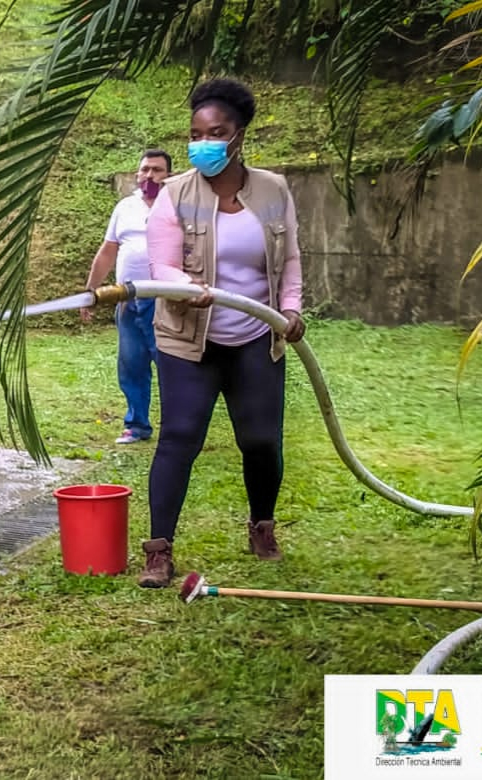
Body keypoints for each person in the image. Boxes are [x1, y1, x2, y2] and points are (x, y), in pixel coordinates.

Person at [137, 77, 306, 589]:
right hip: (189, 340)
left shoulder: (274, 190)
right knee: (179, 438)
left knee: (260, 440)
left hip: (257, 335)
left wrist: (292, 309)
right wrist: (186, 286)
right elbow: (159, 265)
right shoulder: (174, 194)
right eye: (195, 132)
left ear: (239, 136)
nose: (202, 142)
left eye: (215, 132)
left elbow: (290, 258)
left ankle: (262, 527)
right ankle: (158, 551)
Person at [81, 149, 172, 444]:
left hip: (165, 299)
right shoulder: (125, 207)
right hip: (126, 299)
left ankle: (178, 426)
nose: (149, 175)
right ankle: (137, 425)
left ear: (169, 175)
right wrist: (91, 290)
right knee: (132, 363)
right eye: (145, 169)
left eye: (157, 170)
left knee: (170, 363)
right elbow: (108, 250)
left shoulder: (178, 205)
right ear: (136, 174)